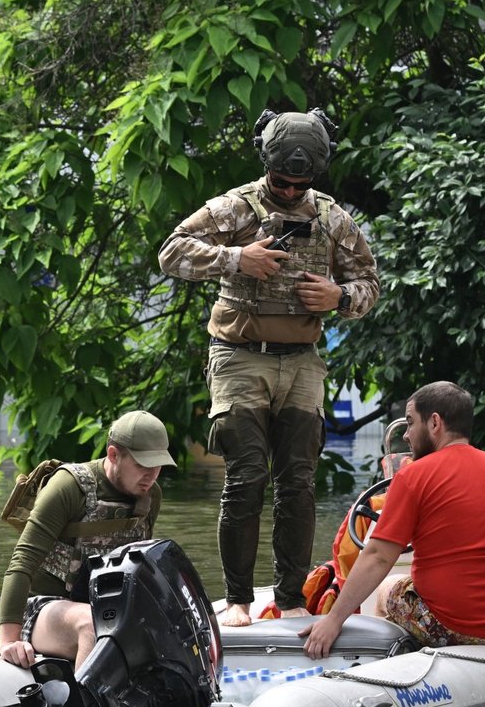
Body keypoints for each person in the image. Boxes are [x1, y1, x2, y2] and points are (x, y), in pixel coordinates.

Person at [158, 108, 380, 627]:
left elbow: (370, 285)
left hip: (302, 361)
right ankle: (237, 600)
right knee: (247, 474)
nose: (288, 191)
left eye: (299, 184)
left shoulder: (332, 219)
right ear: (267, 168)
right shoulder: (235, 208)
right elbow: (171, 253)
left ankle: (294, 597)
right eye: (280, 181)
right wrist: (238, 260)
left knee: (299, 480)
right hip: (239, 356)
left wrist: (338, 295)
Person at [300, 381, 485, 659]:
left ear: (435, 422)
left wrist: (333, 620)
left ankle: (391, 670)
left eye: (410, 423)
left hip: (450, 626)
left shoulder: (412, 477)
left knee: (390, 587)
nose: (408, 435)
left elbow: (377, 557)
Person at [0, 410, 176, 669]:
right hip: (43, 610)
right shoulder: (68, 487)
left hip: (107, 606)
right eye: (142, 465)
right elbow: (22, 562)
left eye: (157, 465)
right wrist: (8, 642)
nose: (151, 475)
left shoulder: (150, 495)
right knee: (94, 626)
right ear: (114, 455)